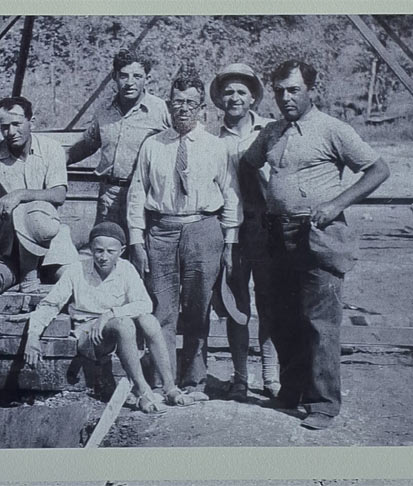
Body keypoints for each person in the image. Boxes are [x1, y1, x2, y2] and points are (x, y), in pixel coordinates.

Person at [242, 60, 390, 430]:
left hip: (318, 235)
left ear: (311, 90)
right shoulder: (273, 132)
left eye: (294, 90)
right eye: (279, 91)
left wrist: (337, 203)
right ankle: (292, 388)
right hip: (277, 234)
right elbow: (247, 164)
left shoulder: (332, 129)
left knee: (319, 321)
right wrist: (263, 204)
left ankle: (323, 403)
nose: (286, 97)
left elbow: (378, 170)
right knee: (281, 316)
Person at [127, 73, 242, 399]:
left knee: (198, 308)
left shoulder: (215, 146)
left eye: (191, 103)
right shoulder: (153, 145)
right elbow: (137, 193)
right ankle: (167, 382)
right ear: (168, 104)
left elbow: (231, 195)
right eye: (177, 102)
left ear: (202, 108)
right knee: (161, 310)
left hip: (203, 229)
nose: (183, 109)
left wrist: (230, 242)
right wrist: (136, 239)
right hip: (161, 230)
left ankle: (194, 382)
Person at [24, 222, 193, 411]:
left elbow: (145, 304)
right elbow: (50, 304)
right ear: (91, 249)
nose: (103, 257)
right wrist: (33, 336)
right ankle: (142, 391)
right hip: (89, 335)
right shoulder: (77, 270)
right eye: (98, 251)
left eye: (110, 251)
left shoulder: (126, 269)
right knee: (123, 324)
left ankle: (169, 386)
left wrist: (109, 314)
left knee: (149, 320)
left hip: (119, 328)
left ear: (121, 251)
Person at [209, 63, 280, 401]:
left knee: (270, 300)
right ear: (220, 99)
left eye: (241, 92)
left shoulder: (272, 130)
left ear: (253, 97)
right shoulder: (211, 139)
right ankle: (240, 376)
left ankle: (271, 374)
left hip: (268, 228)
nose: (234, 98)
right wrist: (227, 237)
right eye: (228, 92)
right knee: (237, 303)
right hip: (232, 231)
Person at [0, 96, 78, 292]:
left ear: (32, 122)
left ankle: (37, 273)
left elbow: (59, 194)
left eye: (17, 124)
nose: (11, 132)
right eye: (4, 126)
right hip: (9, 238)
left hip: (47, 234)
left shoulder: (51, 149)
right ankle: (27, 274)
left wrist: (19, 194)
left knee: (73, 282)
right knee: (23, 211)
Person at [67, 48, 171, 234]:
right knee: (106, 249)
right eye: (124, 76)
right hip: (109, 194)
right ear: (115, 76)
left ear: (147, 78)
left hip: (145, 194)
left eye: (137, 76)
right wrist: (57, 160)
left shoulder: (159, 109)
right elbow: (88, 144)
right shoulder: (104, 109)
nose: (130, 83)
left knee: (141, 252)